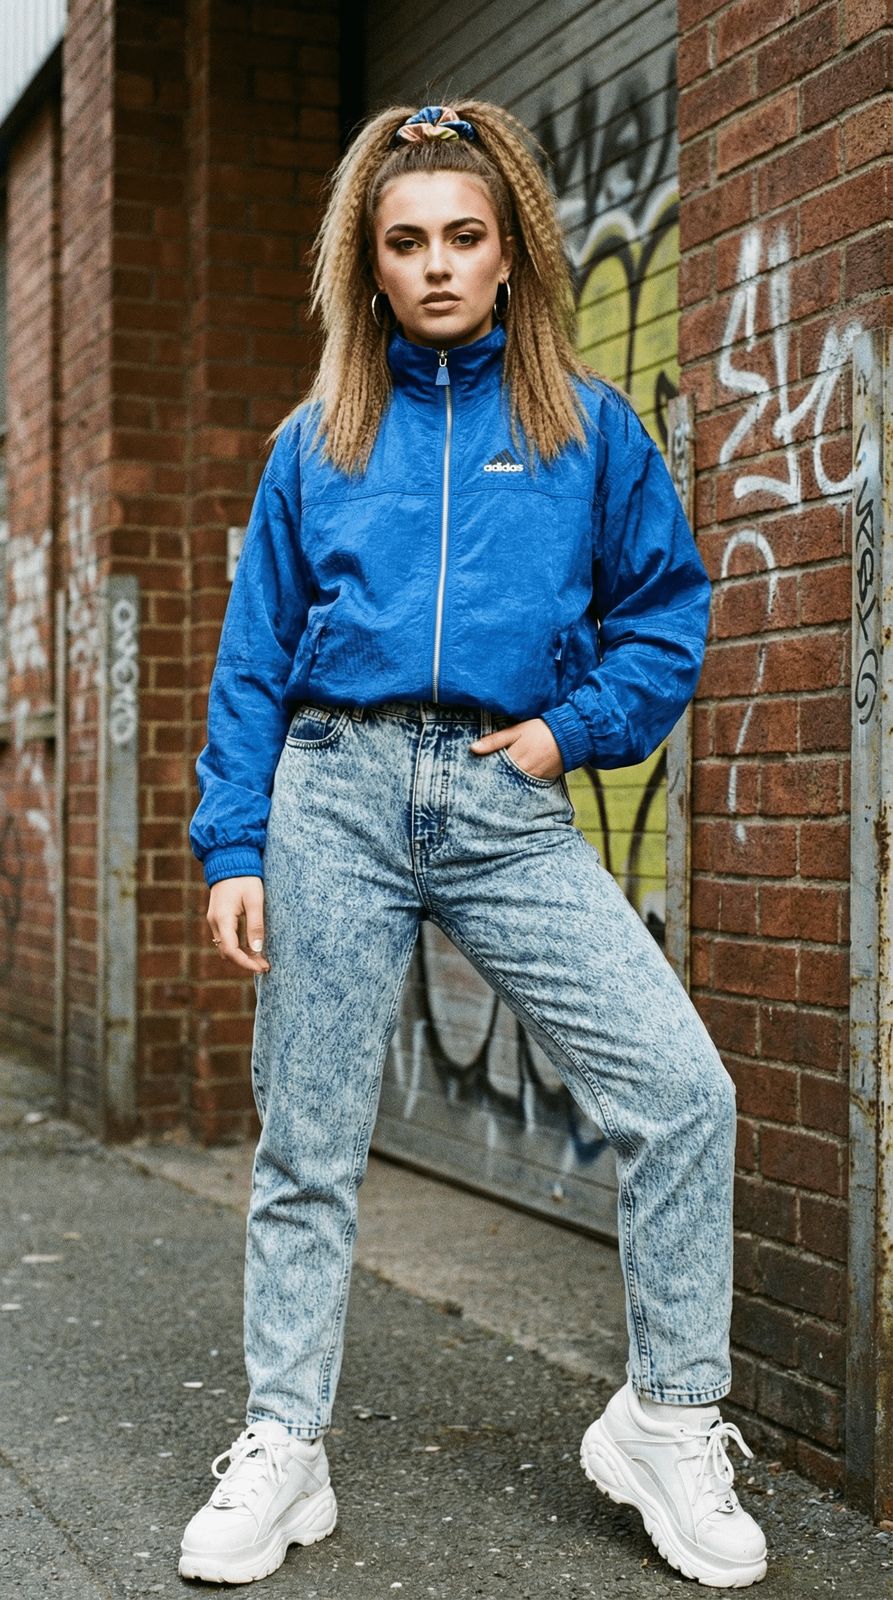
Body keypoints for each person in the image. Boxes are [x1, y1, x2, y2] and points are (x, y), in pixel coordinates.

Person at [181, 100, 768, 1589]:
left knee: (680, 1092)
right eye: (403, 244)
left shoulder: (584, 428)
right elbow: (254, 659)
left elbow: (664, 611)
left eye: (461, 238)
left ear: (510, 256)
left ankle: (668, 1418)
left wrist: (561, 736)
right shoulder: (318, 441)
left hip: (503, 802)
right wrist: (232, 843)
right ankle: (282, 1447)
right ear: (365, 269)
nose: (434, 266)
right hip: (335, 794)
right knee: (307, 1144)